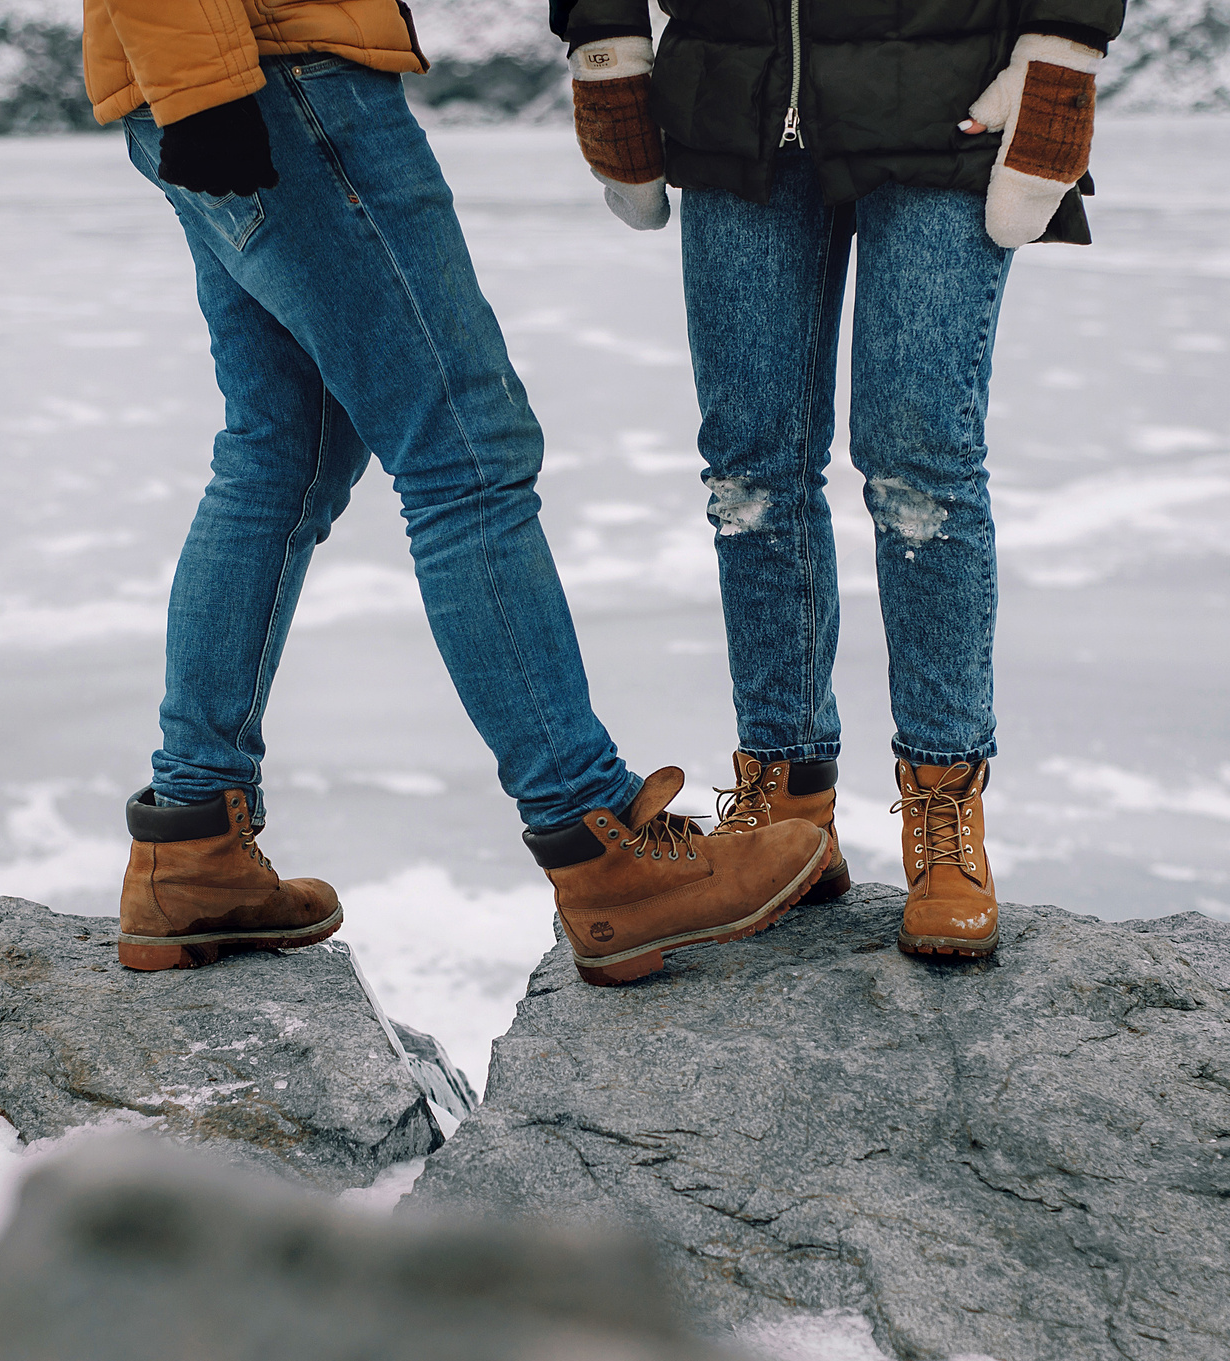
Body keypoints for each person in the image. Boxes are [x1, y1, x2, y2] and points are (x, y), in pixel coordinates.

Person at [81, 0, 831, 985]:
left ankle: (192, 844)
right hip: (278, 76)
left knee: (281, 452)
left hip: (225, 78)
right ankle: (597, 844)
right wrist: (205, 87)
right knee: (468, 455)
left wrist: (190, 88)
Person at [556, 0, 1119, 958]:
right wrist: (604, 42)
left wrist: (1064, 43)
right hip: (736, 102)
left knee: (920, 475)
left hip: (947, 99)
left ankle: (943, 804)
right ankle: (787, 796)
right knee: (751, 476)